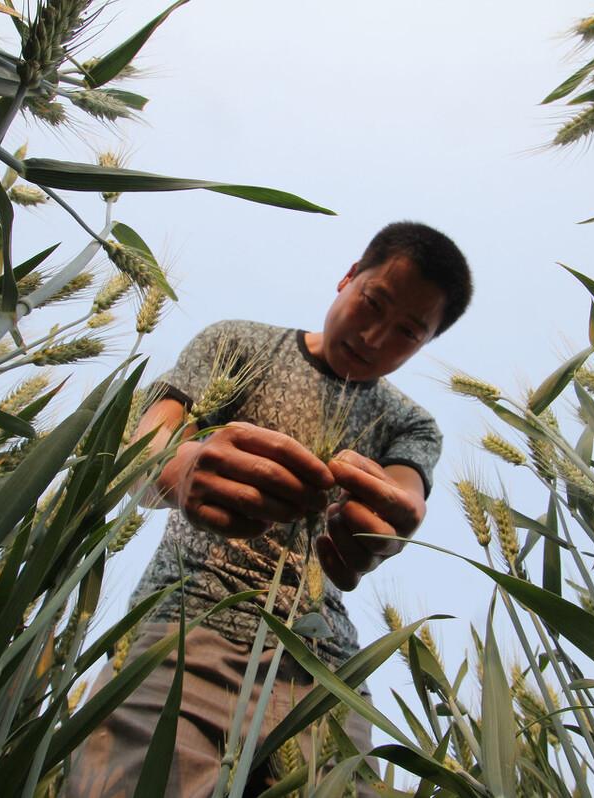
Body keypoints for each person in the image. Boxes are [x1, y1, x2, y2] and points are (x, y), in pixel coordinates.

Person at [64, 221, 472, 798]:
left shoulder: (411, 424)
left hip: (326, 672)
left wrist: (389, 524)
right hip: (184, 634)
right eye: (372, 302)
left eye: (407, 331)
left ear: (426, 344)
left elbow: (404, 493)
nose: (377, 336)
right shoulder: (237, 344)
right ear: (347, 277)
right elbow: (146, 443)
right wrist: (178, 468)